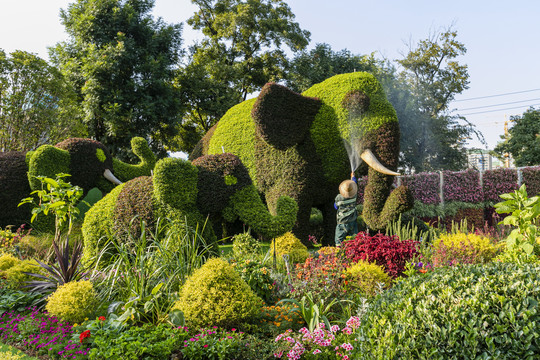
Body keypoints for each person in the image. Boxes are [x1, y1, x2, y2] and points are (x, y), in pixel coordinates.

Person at [334, 172, 358, 246]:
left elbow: (335, 206)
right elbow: (354, 184)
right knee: (354, 238)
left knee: (339, 239)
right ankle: (354, 251)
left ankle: (339, 252)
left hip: (342, 222)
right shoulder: (354, 196)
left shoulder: (339, 197)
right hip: (352, 221)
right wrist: (353, 177)